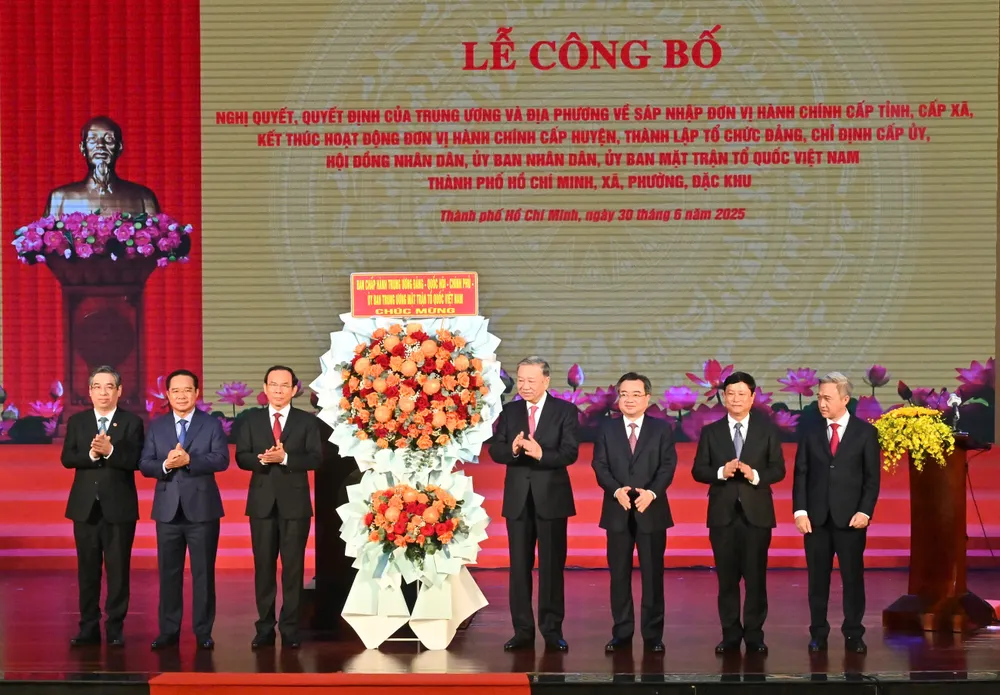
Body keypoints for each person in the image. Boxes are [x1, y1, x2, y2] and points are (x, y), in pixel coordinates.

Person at [489, 356, 579, 652]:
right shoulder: (510, 411)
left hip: (552, 499)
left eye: (531, 381)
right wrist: (513, 450)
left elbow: (570, 453)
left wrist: (541, 454)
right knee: (519, 568)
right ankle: (522, 631)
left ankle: (552, 631)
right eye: (521, 380)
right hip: (518, 500)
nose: (525, 386)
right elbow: (496, 450)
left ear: (546, 381)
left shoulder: (565, 411)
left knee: (551, 567)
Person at [692, 372, 786, 655]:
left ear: (752, 397)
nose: (735, 399)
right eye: (730, 393)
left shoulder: (767, 430)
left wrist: (753, 474)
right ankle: (730, 635)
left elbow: (778, 469)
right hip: (722, 516)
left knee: (756, 580)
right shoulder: (711, 432)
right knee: (727, 581)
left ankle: (755, 636)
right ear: (724, 397)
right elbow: (698, 470)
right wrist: (722, 471)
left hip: (757, 514)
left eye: (741, 394)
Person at [139, 369, 229, 650]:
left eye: (187, 390)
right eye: (175, 391)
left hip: (202, 510)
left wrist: (190, 460)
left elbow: (221, 459)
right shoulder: (157, 426)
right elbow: (145, 464)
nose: (181, 395)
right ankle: (168, 630)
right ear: (167, 394)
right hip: (167, 510)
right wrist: (166, 465)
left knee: (203, 573)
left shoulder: (210, 424)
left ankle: (203, 632)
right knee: (169, 573)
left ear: (196, 393)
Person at [236, 365, 322, 650]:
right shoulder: (251, 420)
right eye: (273, 384)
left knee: (293, 569)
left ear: (294, 390)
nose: (278, 390)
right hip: (261, 504)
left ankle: (290, 628)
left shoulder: (306, 422)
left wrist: (286, 459)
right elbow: (241, 457)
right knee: (263, 568)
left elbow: (316, 458)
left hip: (295, 505)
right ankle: (264, 628)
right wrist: (262, 459)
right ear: (265, 388)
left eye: (285, 385)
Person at [793, 372, 880, 654]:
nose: (821, 403)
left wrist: (865, 512)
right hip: (816, 520)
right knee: (817, 581)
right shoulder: (810, 433)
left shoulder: (865, 433)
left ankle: (854, 633)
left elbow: (871, 479)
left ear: (845, 399)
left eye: (827, 398)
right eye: (819, 397)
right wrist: (800, 512)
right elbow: (801, 475)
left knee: (853, 579)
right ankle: (818, 633)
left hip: (851, 520)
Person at [591, 372, 677, 653]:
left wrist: (651, 493)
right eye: (624, 394)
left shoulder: (661, 429)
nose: (629, 400)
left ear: (647, 398)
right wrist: (616, 490)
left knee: (653, 576)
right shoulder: (607, 429)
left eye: (636, 394)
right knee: (619, 576)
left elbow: (667, 466)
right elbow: (599, 465)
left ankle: (653, 636)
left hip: (651, 511)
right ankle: (621, 633)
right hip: (617, 510)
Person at [60, 365, 145, 647]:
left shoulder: (132, 422)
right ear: (90, 391)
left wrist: (110, 451)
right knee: (87, 571)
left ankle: (115, 628)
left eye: (109, 386)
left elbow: (136, 461)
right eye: (97, 386)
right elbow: (67, 458)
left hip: (119, 508)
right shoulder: (78, 421)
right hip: (85, 507)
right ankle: (88, 627)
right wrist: (91, 455)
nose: (103, 392)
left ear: (119, 391)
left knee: (118, 571)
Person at [44, 116, 159, 216]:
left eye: (109, 139)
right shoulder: (59, 198)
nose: (100, 145)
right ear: (83, 148)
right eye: (92, 139)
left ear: (119, 147)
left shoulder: (143, 197)